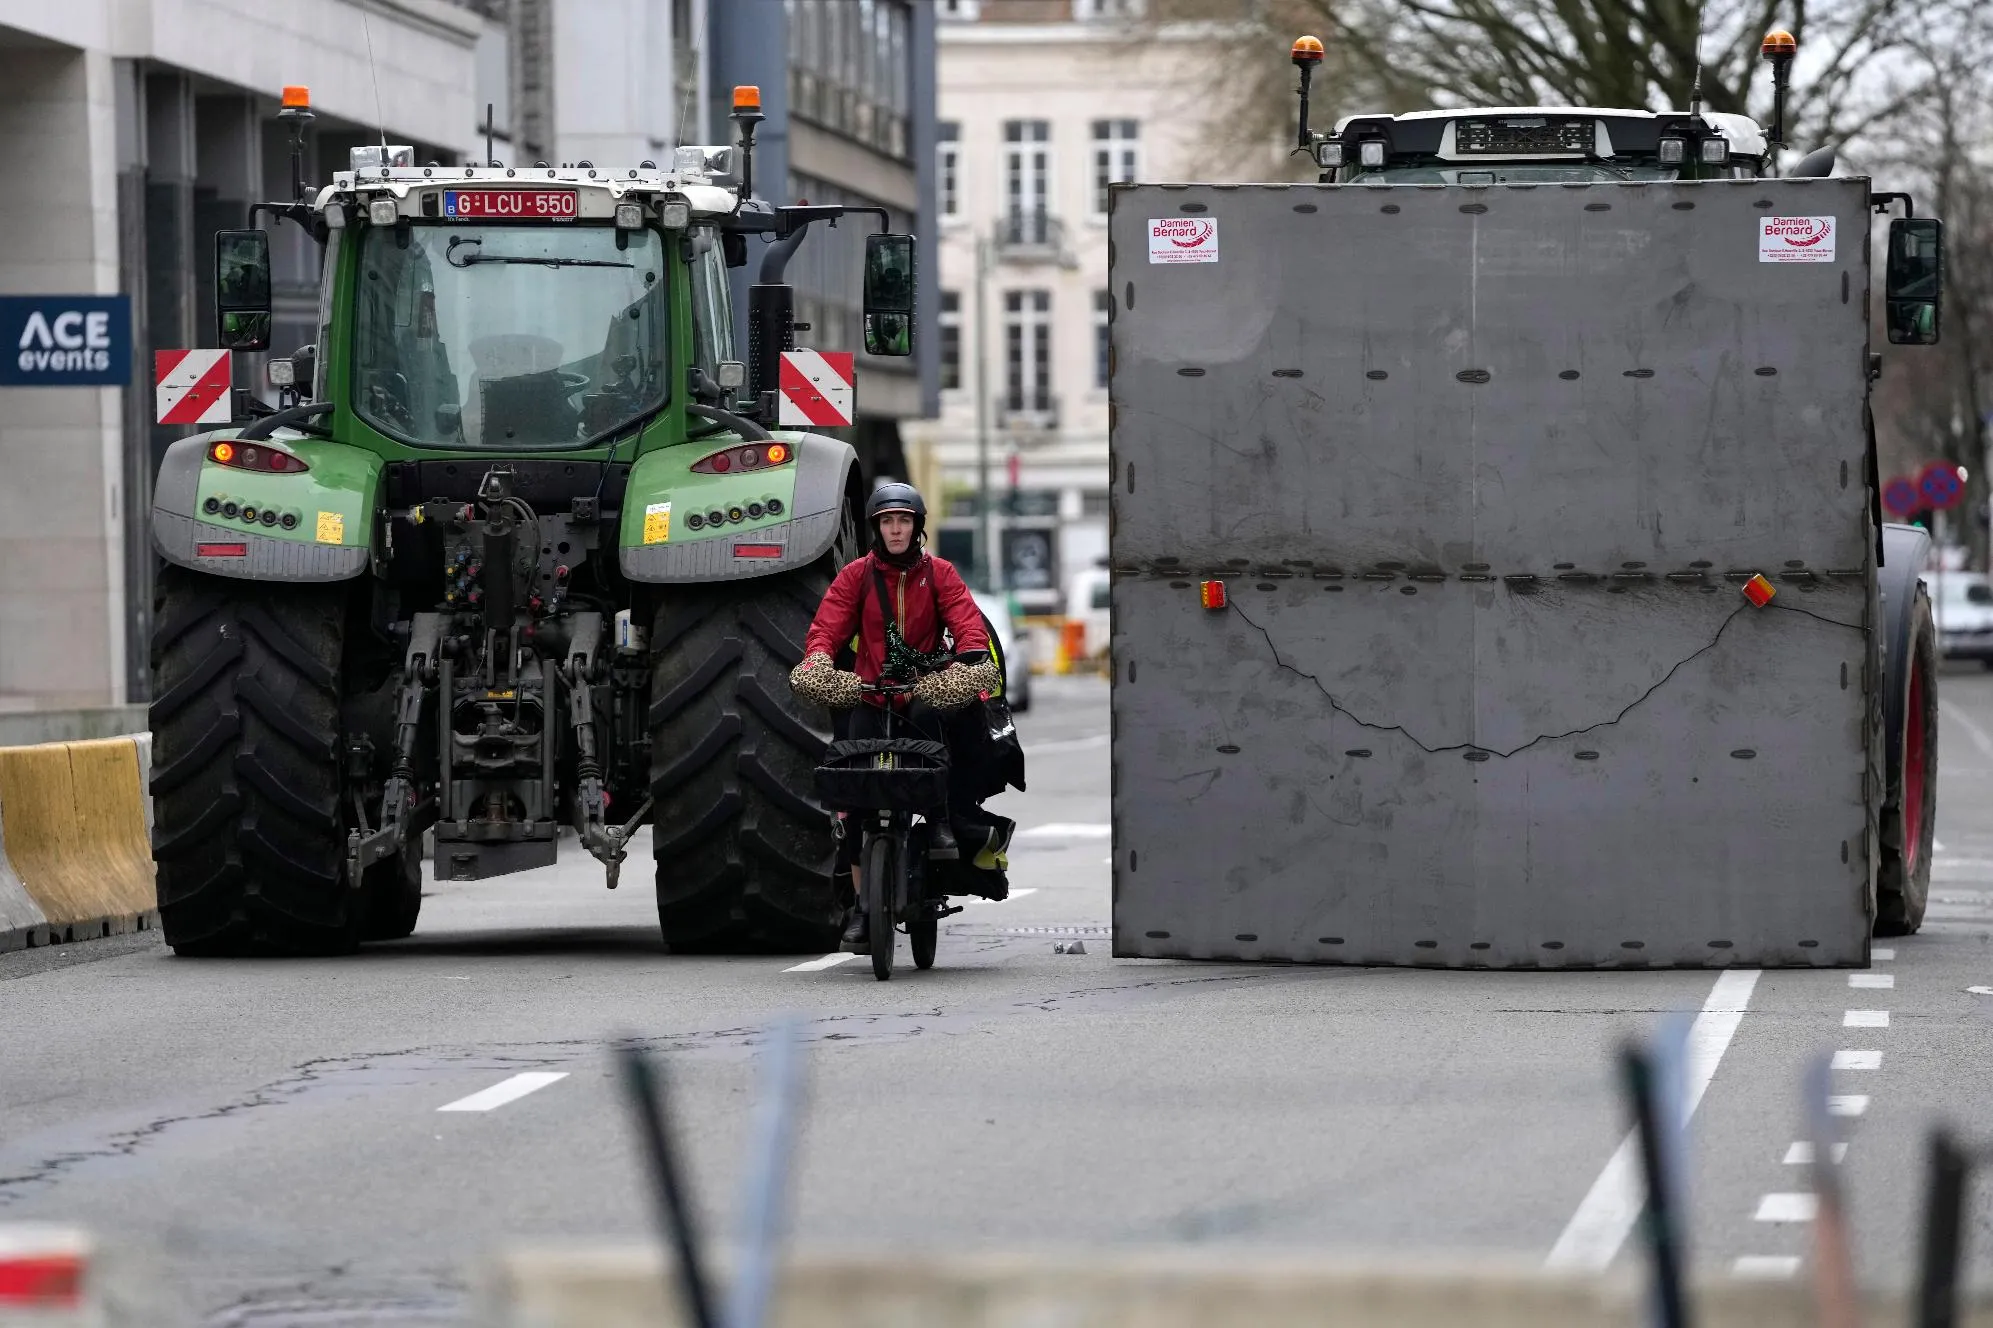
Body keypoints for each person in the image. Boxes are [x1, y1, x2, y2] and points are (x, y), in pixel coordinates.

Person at [790, 482, 998, 947]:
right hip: (869, 694)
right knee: (856, 790)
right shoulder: (856, 576)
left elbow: (967, 625)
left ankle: (939, 818)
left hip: (922, 690)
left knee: (932, 724)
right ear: (876, 529)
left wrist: (969, 659)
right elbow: (826, 628)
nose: (896, 529)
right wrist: (819, 661)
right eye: (888, 522)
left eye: (904, 521)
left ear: (917, 527)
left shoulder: (940, 573)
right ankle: (864, 909)